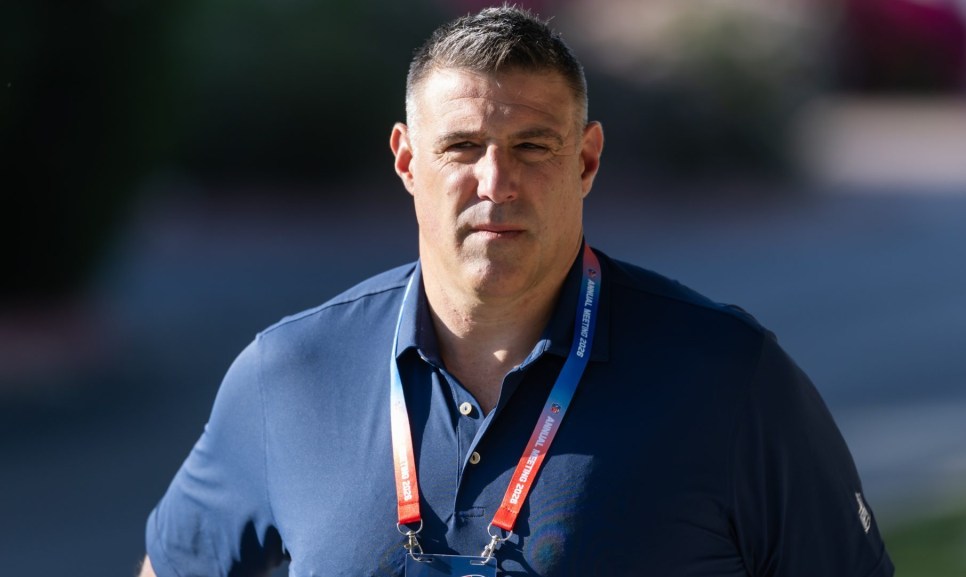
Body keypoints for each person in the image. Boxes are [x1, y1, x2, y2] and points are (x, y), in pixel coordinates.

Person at [139, 5, 894, 576]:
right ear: (406, 162)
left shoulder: (731, 377)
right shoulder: (290, 373)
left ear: (587, 161)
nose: (495, 183)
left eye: (533, 147)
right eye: (462, 147)